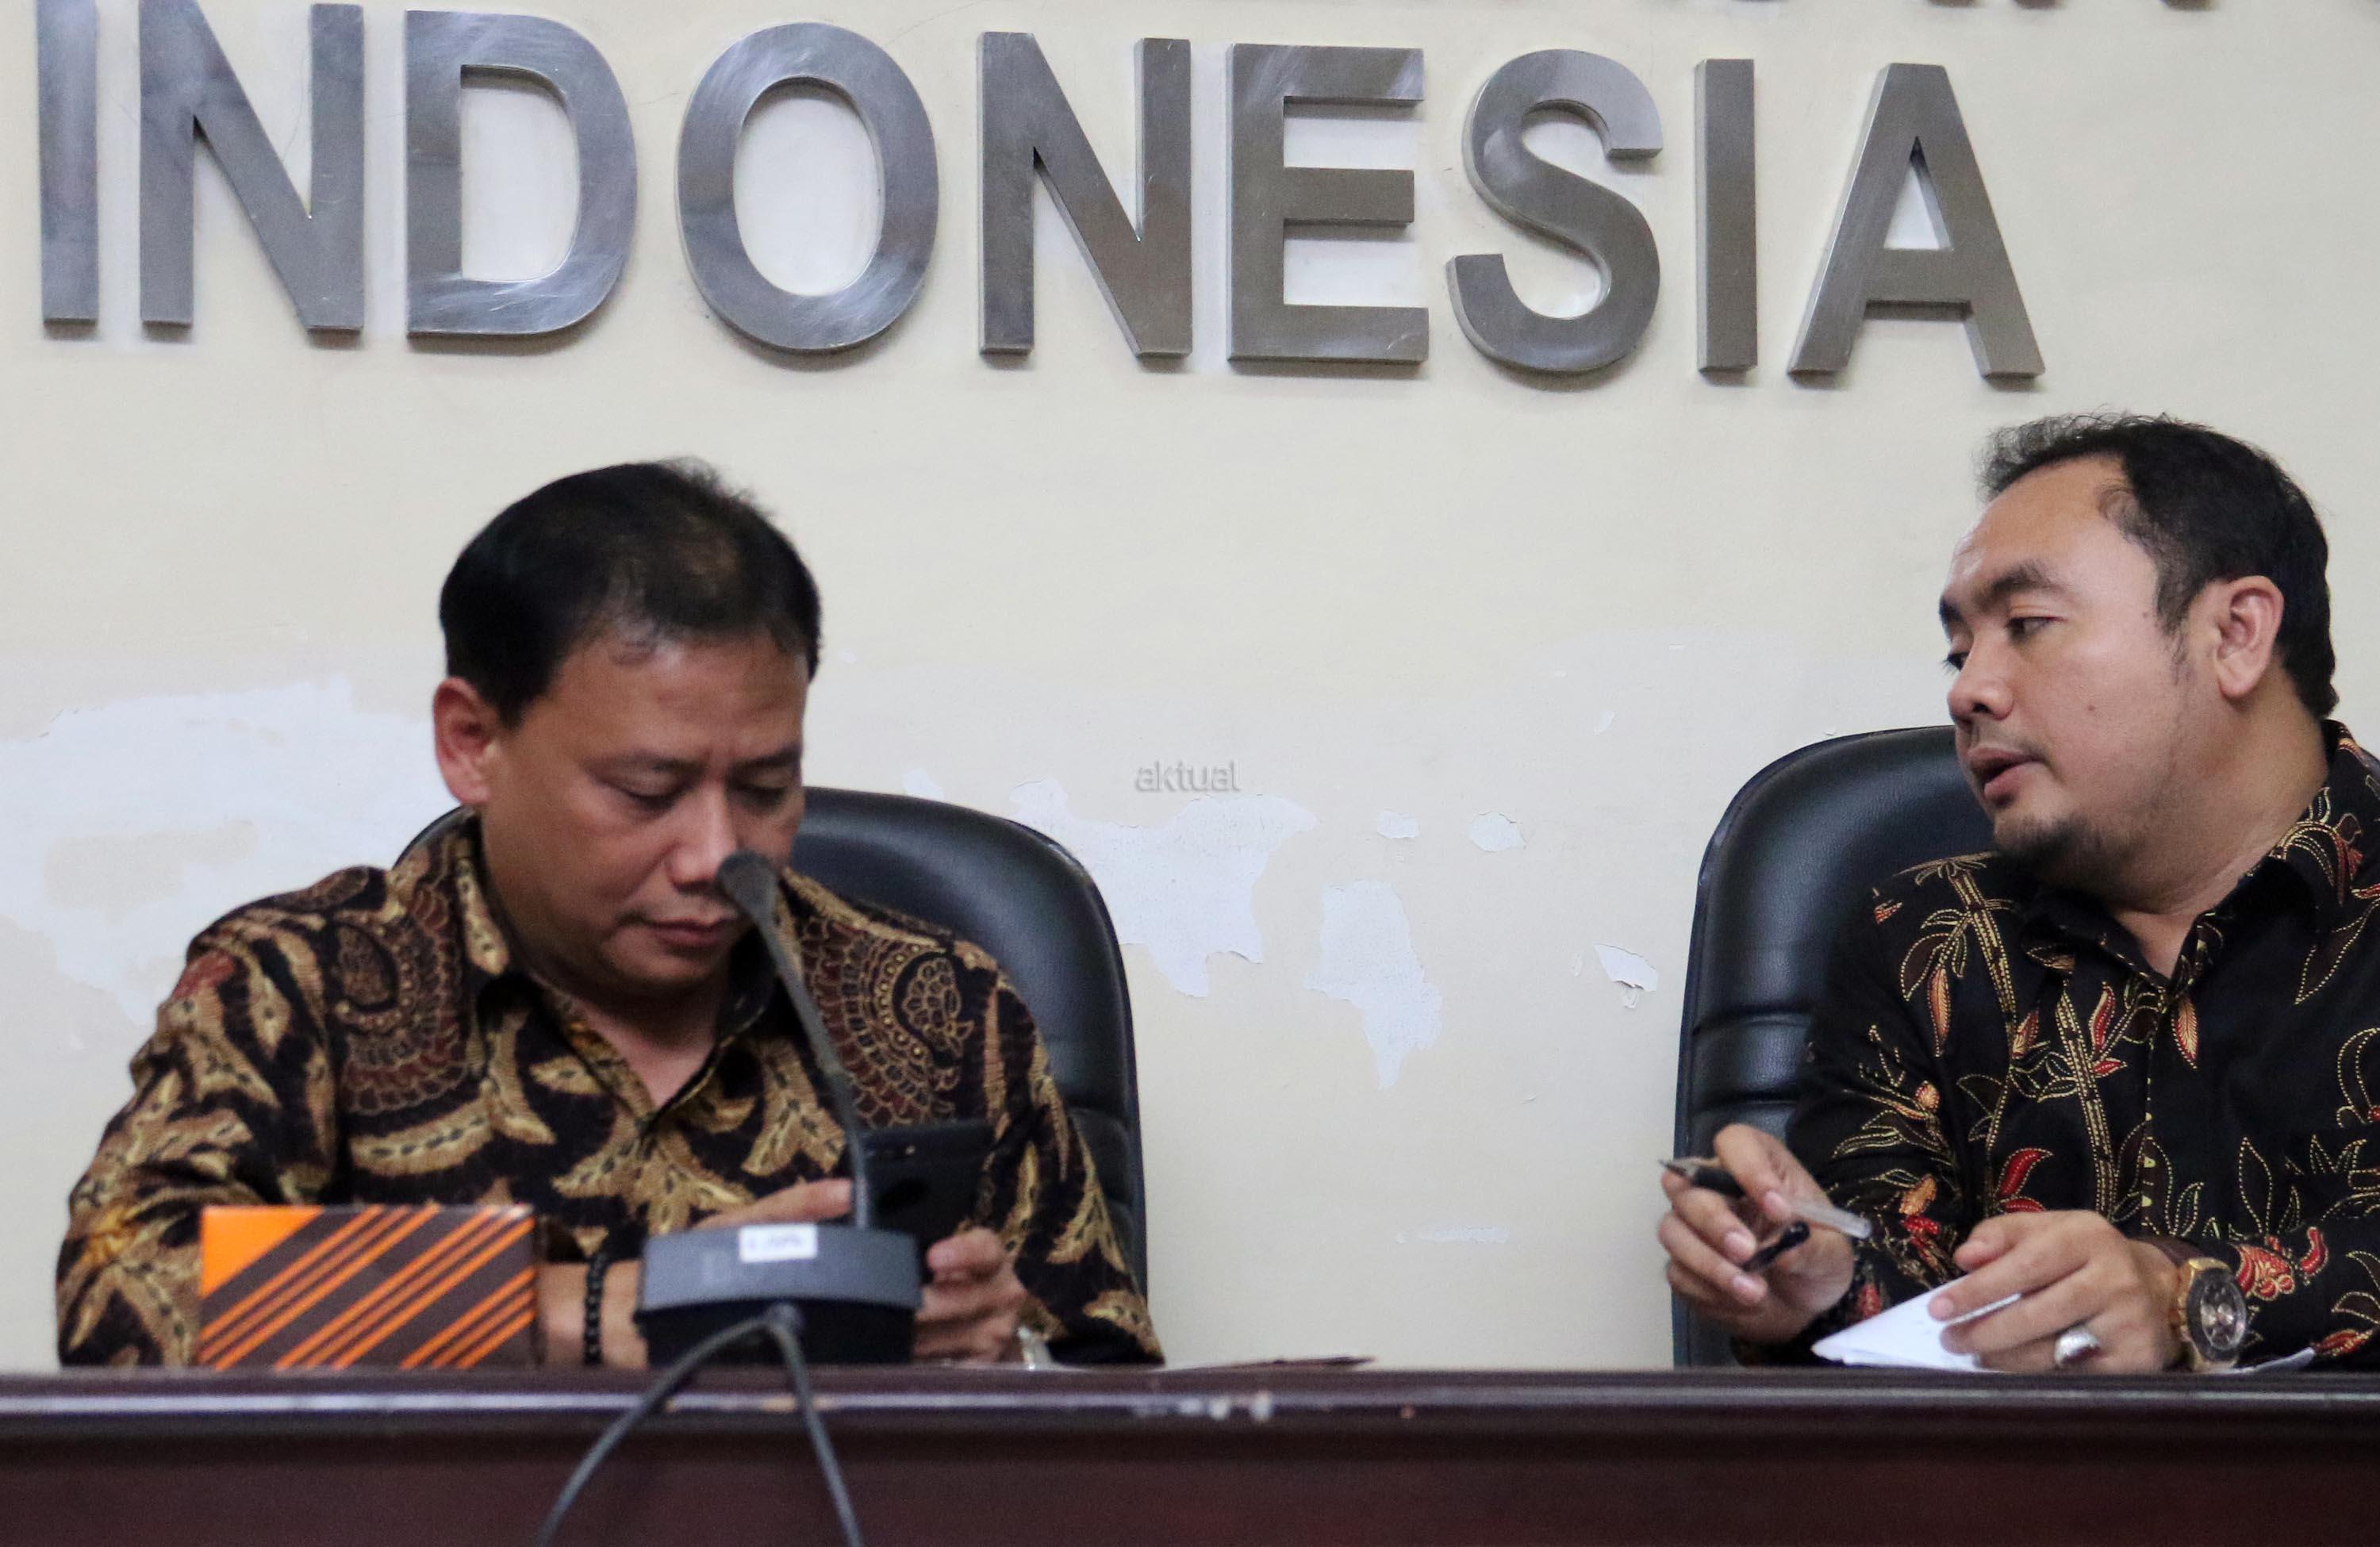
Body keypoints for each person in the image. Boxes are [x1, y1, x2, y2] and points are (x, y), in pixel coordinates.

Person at [57, 462, 1159, 1368]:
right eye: (646, 791)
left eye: (766, 787)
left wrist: (1003, 1356)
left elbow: (1120, 1398)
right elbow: (123, 1294)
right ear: (473, 743)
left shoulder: (930, 1007)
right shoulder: (303, 986)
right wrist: (585, 1316)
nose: (718, 855)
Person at [1660, 413, 2380, 1372]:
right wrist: (1822, 1288)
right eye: (1960, 653)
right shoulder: (1923, 940)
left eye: (2028, 626)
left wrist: (2188, 1299)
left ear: (2235, 635)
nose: (1969, 692)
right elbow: (1901, 1283)